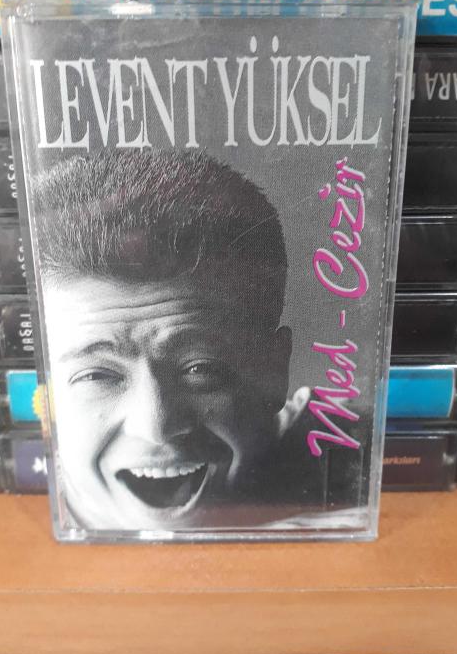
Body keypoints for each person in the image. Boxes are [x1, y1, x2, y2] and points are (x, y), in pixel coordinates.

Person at [33, 148, 328, 532]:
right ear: (45, 391)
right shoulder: (14, 489)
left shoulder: (354, 470)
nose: (155, 427)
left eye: (200, 369)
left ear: (275, 372)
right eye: (97, 376)